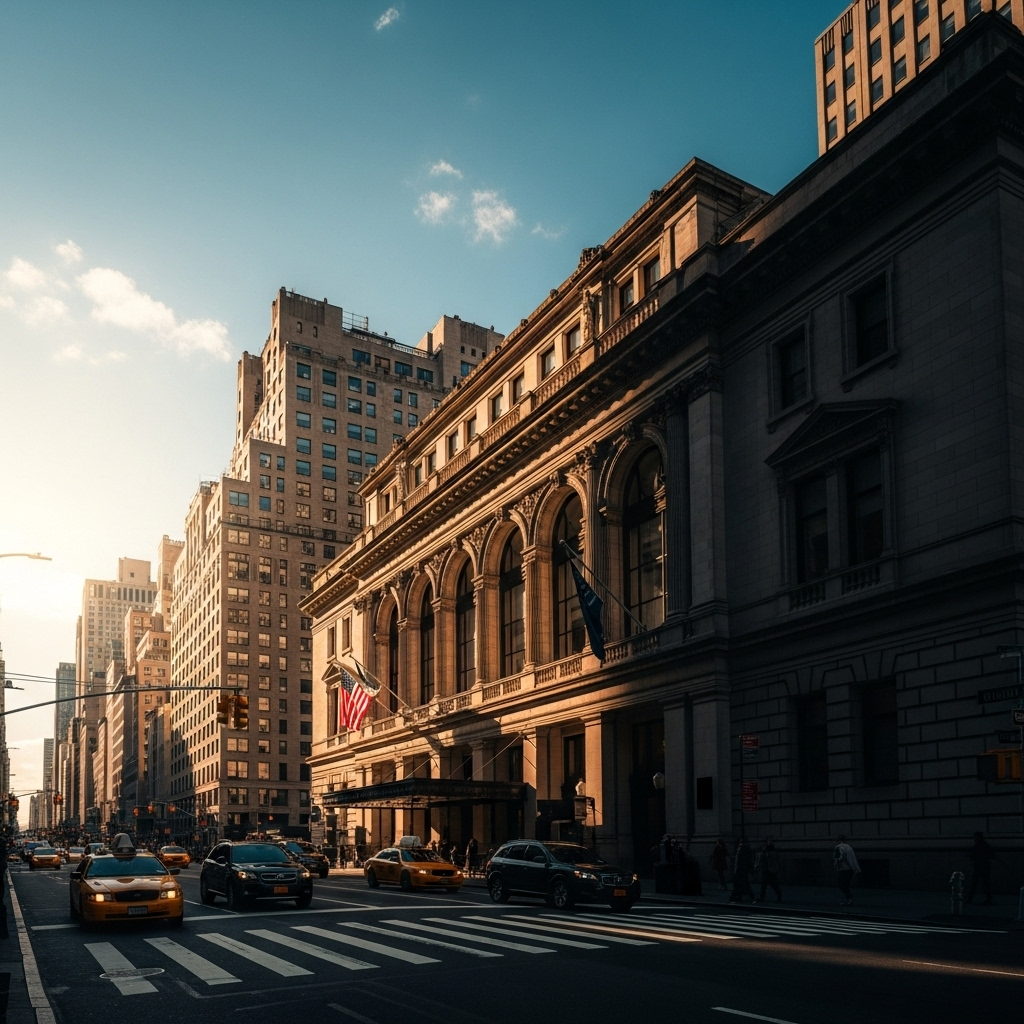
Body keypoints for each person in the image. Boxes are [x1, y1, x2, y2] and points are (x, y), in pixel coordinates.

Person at [966, 831, 996, 905]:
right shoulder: (983, 845)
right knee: (984, 884)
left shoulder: (980, 845)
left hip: (981, 867)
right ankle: (987, 899)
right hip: (983, 867)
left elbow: (974, 855)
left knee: (977, 883)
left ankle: (970, 899)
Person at [833, 834, 861, 905]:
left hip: (843, 868)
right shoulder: (848, 847)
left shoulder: (838, 847)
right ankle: (849, 899)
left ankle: (849, 899)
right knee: (846, 884)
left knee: (842, 884)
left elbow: (839, 858)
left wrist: (837, 864)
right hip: (850, 868)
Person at [754, 836, 782, 903]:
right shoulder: (765, 849)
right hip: (766, 869)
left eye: (770, 841)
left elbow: (775, 859)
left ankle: (779, 895)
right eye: (768, 841)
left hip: (771, 869)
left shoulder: (772, 850)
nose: (769, 842)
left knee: (773, 884)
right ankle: (762, 897)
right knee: (764, 885)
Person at [729, 838, 754, 903]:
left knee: (742, 883)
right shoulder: (740, 849)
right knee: (739, 883)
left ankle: (736, 896)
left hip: (741, 869)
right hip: (740, 869)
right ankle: (737, 896)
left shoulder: (744, 849)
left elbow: (745, 860)